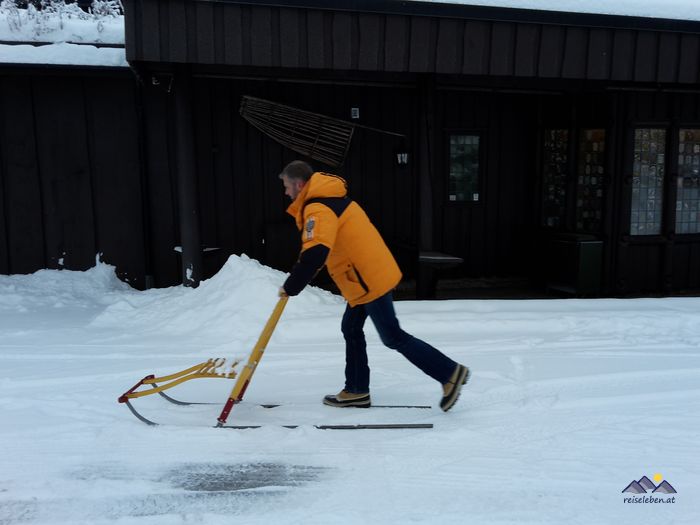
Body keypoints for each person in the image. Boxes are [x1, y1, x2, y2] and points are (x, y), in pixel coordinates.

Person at [278, 160, 469, 411]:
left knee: (392, 336)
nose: (286, 193)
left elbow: (316, 253)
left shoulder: (318, 208)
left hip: (367, 280)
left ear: (299, 184)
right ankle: (356, 390)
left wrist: (291, 286)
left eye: (287, 186)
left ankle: (450, 373)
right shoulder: (329, 199)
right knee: (351, 327)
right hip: (364, 277)